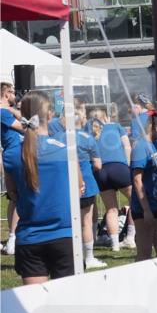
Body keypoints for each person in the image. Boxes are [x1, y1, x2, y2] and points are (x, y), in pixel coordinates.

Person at [5, 91, 80, 283]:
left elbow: (12, 193)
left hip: (30, 238)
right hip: (65, 236)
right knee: (67, 307)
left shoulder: (12, 154)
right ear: (49, 115)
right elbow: (80, 188)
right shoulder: (65, 150)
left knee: (34, 309)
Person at [91, 107, 133, 251]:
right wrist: (128, 165)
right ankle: (130, 238)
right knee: (136, 202)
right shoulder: (116, 126)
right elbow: (127, 146)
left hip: (101, 171)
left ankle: (115, 244)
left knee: (111, 209)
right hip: (119, 168)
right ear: (106, 118)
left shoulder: (90, 131)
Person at [74, 109, 106, 269]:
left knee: (71, 221)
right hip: (86, 182)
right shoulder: (89, 139)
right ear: (82, 122)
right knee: (86, 222)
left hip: (65, 182)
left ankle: (74, 254)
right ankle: (89, 257)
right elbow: (98, 165)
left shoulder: (59, 137)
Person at [130, 112, 157, 261]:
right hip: (144, 209)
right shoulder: (141, 147)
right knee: (144, 254)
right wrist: (146, 210)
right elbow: (137, 180)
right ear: (155, 126)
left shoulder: (156, 144)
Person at [2, 81, 24, 255]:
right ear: (6, 94)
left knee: (14, 197)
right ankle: (13, 239)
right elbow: (25, 128)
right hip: (16, 154)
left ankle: (13, 238)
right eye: (13, 92)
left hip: (13, 153)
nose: (15, 95)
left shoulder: (6, 112)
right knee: (18, 196)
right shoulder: (3, 112)